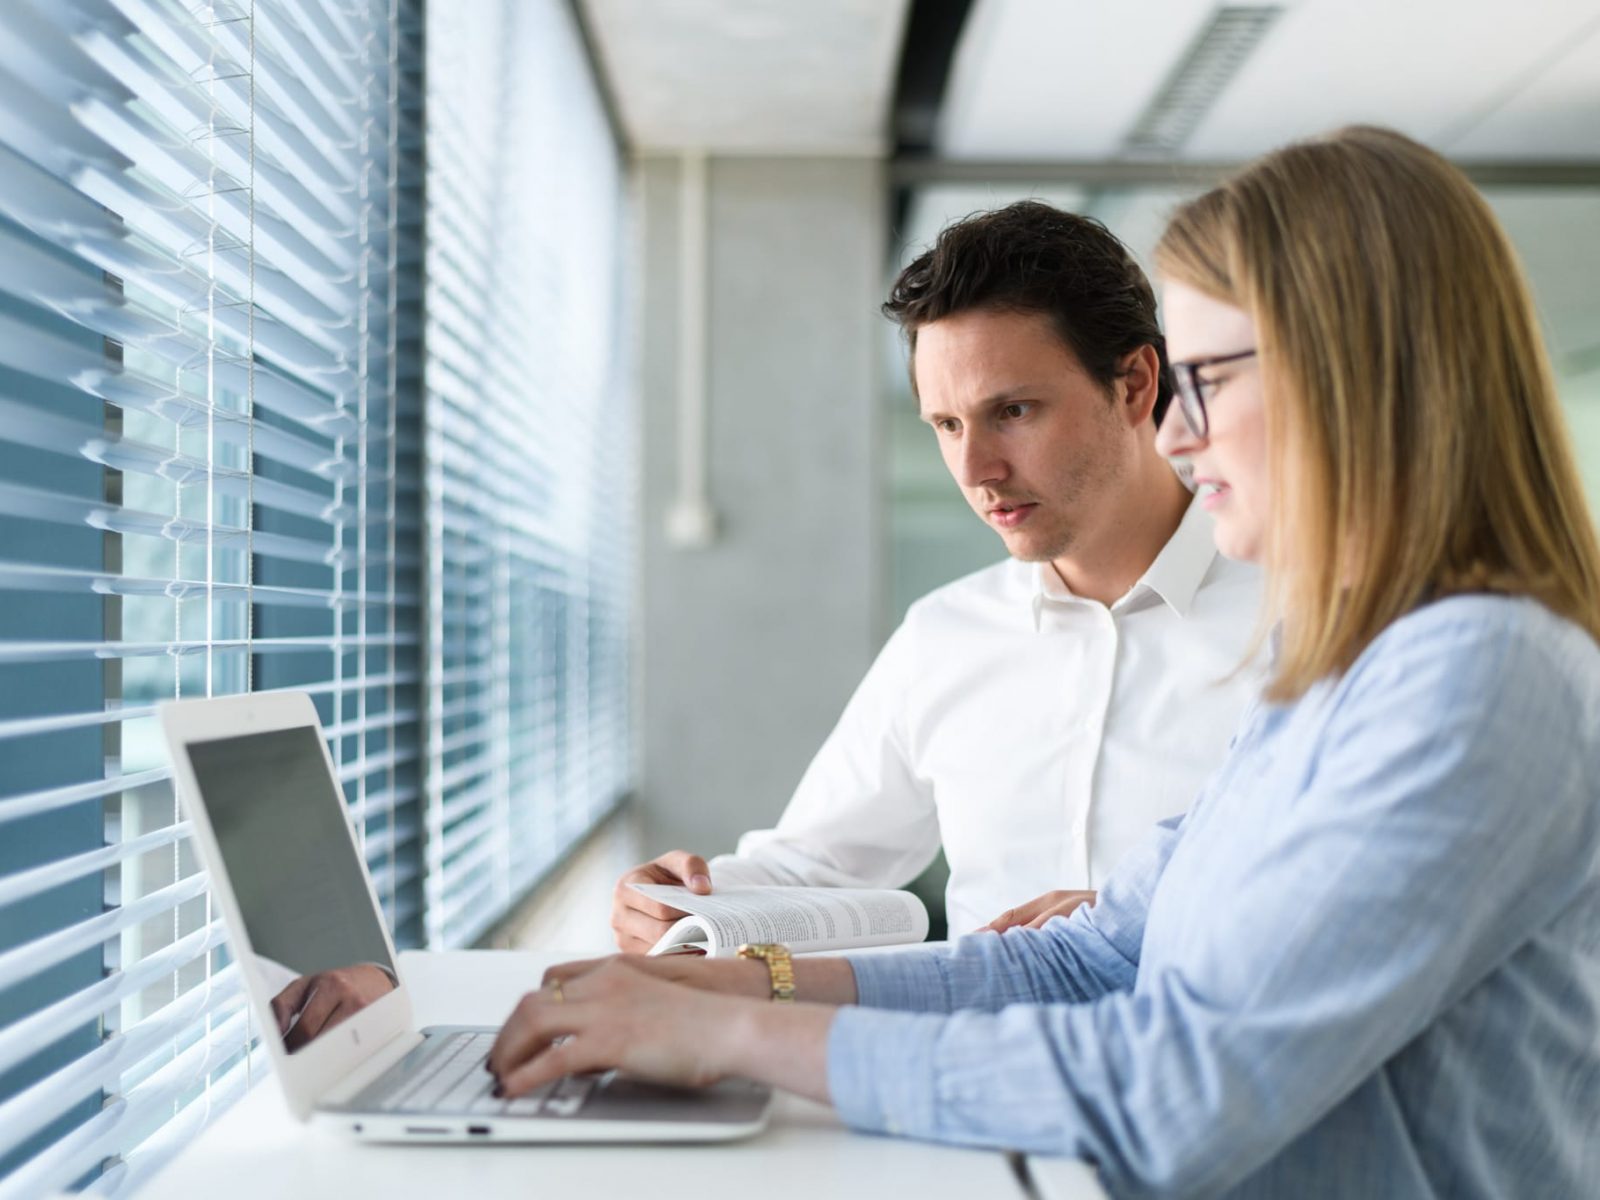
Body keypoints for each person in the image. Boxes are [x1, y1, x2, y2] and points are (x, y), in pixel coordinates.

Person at [489, 127, 1600, 1197]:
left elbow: (1177, 1090)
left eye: (1206, 380)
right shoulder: (1346, 662)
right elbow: (1087, 958)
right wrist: (732, 983)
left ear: (1349, 374)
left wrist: (731, 1030)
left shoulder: (1477, 675)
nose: (1177, 433)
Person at [614, 201, 1263, 949]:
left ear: (1136, 386)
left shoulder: (1310, 616)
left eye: (1013, 410)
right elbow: (816, 865)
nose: (975, 470)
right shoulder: (945, 634)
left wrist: (1147, 912)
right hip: (974, 1057)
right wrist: (687, 899)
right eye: (947, 426)